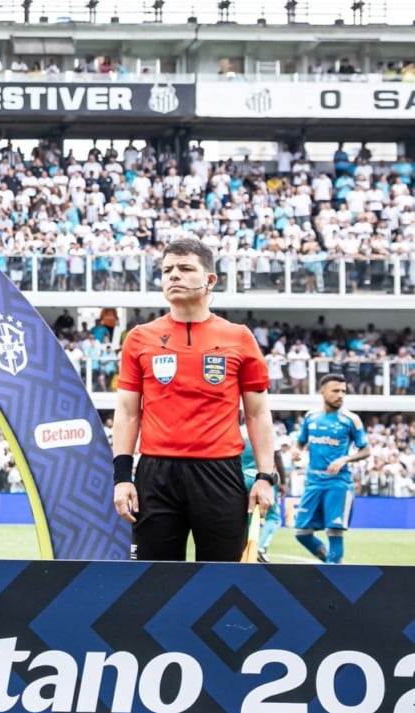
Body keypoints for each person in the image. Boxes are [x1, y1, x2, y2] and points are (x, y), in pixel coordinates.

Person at [112, 237, 277, 561]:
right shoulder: (139, 338)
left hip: (220, 473)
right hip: (155, 474)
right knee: (153, 578)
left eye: (185, 268)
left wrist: (265, 477)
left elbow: (258, 414)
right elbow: (128, 413)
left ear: (210, 280)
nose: (174, 275)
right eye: (167, 270)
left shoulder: (239, 338)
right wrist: (121, 478)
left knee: (222, 578)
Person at [294, 374, 370, 564]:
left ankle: (332, 571)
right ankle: (333, 565)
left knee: (334, 531)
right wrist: (297, 451)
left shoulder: (351, 419)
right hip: (313, 482)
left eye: (343, 391)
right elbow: (300, 442)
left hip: (338, 483)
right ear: (322, 392)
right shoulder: (311, 417)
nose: (340, 395)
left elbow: (366, 450)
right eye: (335, 391)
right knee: (302, 533)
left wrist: (345, 458)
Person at [240, 419, 286, 563]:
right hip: (264, 478)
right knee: (273, 516)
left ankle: (244, 550)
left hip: (241, 478)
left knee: (246, 516)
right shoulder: (267, 430)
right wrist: (283, 482)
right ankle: (260, 548)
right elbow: (277, 456)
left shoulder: (238, 431)